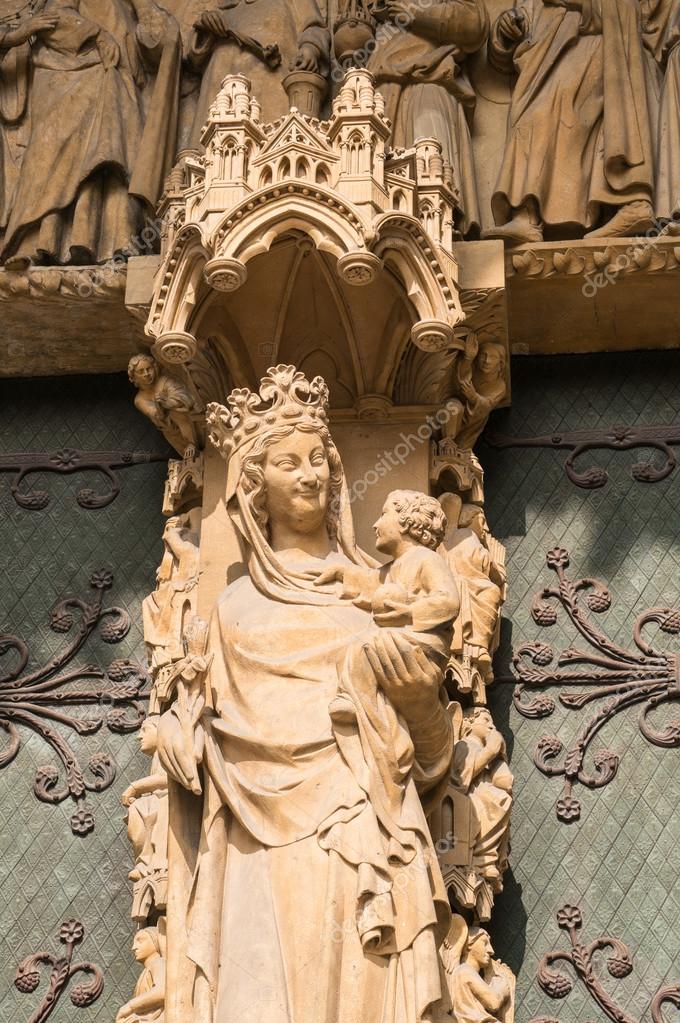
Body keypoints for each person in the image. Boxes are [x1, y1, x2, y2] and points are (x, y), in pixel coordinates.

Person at [157, 366, 455, 1023]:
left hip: (357, 832)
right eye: (289, 462)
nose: (311, 473)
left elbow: (432, 762)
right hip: (254, 850)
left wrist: (424, 714)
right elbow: (202, 745)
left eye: (319, 458)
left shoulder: (379, 593)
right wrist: (188, 740)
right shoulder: (230, 612)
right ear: (256, 489)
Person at [2, 0, 181, 267]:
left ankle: (106, 244)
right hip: (67, 75)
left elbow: (159, 43)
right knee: (53, 153)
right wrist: (96, 34)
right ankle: (34, 242)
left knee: (111, 157)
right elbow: (55, 17)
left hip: (116, 82)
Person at [485, 0, 655, 243]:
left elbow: (625, 8)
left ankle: (629, 199)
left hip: (597, 47)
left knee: (545, 117)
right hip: (543, 62)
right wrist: (506, 30)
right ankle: (526, 215)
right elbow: (519, 31)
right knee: (527, 122)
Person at [367, 0, 488, 235]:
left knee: (432, 166)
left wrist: (413, 12)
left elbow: (472, 25)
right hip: (382, 87)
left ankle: (441, 230)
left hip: (430, 80)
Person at [187, 0, 330, 142]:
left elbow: (314, 27)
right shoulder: (226, 8)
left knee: (271, 142)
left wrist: (310, 48)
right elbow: (193, 60)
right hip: (219, 87)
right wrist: (205, 30)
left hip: (272, 86)